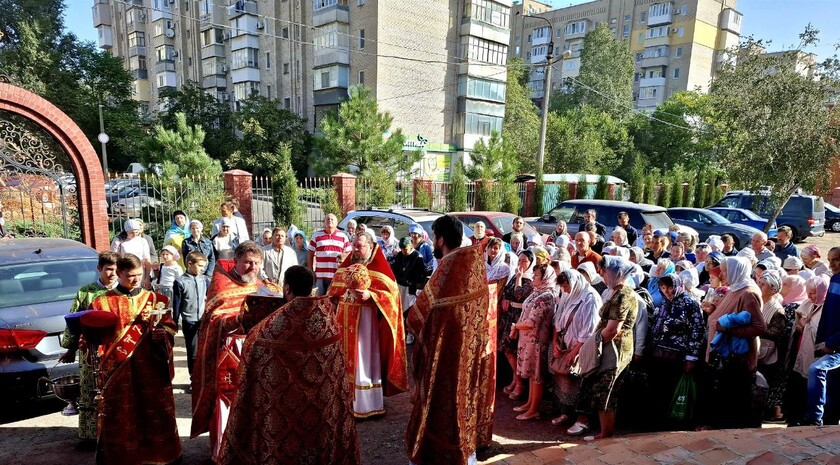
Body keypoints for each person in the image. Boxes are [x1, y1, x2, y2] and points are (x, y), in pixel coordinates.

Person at [217, 266, 360, 464]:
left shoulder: (268, 330)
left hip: (281, 422)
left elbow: (250, 361)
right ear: (311, 289)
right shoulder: (329, 324)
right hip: (320, 416)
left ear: (286, 289)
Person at [406, 215, 489, 465]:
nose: (432, 241)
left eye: (433, 236)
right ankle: (466, 453)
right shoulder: (472, 264)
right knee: (463, 402)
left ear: (440, 239)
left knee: (439, 407)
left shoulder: (448, 268)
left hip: (443, 357)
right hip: (468, 354)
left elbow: (416, 317)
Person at [191, 241, 280, 461]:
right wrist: (238, 319)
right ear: (236, 261)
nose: (252, 268)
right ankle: (223, 451)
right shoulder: (221, 284)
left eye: (256, 263)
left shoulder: (262, 285)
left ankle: (251, 447)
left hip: (256, 350)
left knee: (256, 399)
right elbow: (212, 321)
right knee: (227, 399)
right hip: (229, 351)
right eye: (247, 262)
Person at [90, 254, 181, 465]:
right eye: (130, 276)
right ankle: (123, 457)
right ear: (119, 273)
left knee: (155, 410)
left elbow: (170, 326)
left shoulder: (157, 300)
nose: (135, 280)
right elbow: (92, 337)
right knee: (121, 413)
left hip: (151, 366)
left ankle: (161, 455)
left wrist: (163, 335)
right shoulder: (102, 302)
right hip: (117, 369)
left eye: (139, 275)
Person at [327, 233, 408, 418]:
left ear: (370, 247)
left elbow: (392, 296)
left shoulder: (380, 268)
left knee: (364, 359)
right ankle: (344, 402)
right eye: (354, 245)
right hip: (344, 319)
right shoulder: (347, 264)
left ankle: (366, 404)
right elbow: (334, 287)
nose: (355, 249)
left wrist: (371, 295)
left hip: (365, 324)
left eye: (360, 246)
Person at [568, 256, 638, 440]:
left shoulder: (623, 295)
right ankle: (603, 431)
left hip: (614, 349)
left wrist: (592, 346)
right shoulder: (614, 292)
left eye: (605, 271)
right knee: (601, 390)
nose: (602, 274)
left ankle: (605, 435)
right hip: (606, 346)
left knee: (606, 391)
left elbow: (613, 329)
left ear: (617, 274)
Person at [58, 251, 119, 440]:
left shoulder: (121, 292)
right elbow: (72, 322)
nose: (112, 274)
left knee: (115, 390)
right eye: (108, 269)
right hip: (89, 352)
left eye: (116, 270)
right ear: (99, 268)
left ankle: (116, 432)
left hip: (114, 350)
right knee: (90, 390)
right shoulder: (85, 292)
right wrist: (71, 349)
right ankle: (91, 435)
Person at [702, 256, 765, 429]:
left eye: (724, 270)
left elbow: (759, 327)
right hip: (725, 356)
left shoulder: (748, 293)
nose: (721, 274)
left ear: (736, 271)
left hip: (736, 359)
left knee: (733, 400)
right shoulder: (735, 288)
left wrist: (727, 329)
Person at [647, 272, 705, 428]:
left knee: (672, 388)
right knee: (659, 388)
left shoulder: (689, 303)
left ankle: (672, 423)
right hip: (659, 354)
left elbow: (696, 330)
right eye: (663, 287)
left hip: (677, 356)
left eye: (670, 287)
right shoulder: (664, 303)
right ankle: (657, 421)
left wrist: (691, 357)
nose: (667, 291)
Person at [550, 269, 601, 428]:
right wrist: (556, 341)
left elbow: (589, 330)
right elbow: (559, 320)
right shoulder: (570, 294)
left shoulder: (590, 298)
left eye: (566, 287)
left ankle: (581, 419)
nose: (565, 290)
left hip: (582, 349)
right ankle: (565, 413)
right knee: (564, 381)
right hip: (566, 345)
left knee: (579, 383)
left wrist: (573, 352)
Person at [511, 262, 557, 421]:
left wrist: (515, 326)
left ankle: (534, 409)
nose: (533, 277)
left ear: (545, 278)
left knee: (536, 374)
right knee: (531, 373)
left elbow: (532, 322)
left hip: (536, 341)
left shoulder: (546, 296)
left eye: (537, 275)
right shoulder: (537, 292)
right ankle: (530, 403)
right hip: (528, 339)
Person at [787, 275, 830, 425]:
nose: (810, 296)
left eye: (814, 292)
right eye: (809, 292)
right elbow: (799, 317)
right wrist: (801, 325)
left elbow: (822, 332)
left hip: (816, 355)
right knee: (798, 387)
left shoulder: (828, 308)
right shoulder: (808, 303)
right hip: (801, 351)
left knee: (812, 386)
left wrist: (805, 326)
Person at [805, 246, 840, 426]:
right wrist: (821, 342)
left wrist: (832, 342)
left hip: (836, 346)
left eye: (836, 260)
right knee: (832, 390)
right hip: (829, 344)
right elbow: (827, 315)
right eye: (830, 259)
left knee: (817, 371)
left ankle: (814, 419)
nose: (832, 264)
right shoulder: (835, 280)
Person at [500, 250, 535, 400]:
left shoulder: (531, 279)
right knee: (508, 350)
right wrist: (504, 300)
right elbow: (507, 293)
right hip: (509, 316)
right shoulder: (515, 275)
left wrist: (519, 278)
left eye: (524, 261)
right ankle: (515, 379)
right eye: (519, 260)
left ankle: (519, 383)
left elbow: (520, 294)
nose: (521, 263)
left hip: (519, 317)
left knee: (513, 350)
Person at [172, 251, 210, 379]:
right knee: (192, 351)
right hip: (189, 321)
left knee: (204, 351)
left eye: (203, 266)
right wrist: (174, 322)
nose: (202, 269)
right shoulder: (180, 282)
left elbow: (210, 299)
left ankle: (203, 377)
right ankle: (193, 378)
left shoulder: (205, 280)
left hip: (203, 320)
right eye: (200, 266)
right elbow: (176, 304)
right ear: (189, 264)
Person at [390, 236, 428, 345]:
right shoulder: (400, 256)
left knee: (409, 312)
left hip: (411, 288)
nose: (403, 251)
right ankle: (400, 331)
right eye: (402, 249)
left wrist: (412, 284)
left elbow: (421, 275)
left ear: (410, 246)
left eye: (405, 249)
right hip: (400, 286)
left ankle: (410, 333)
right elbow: (395, 269)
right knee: (399, 310)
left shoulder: (417, 257)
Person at [308, 214, 353, 296]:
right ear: (324, 222)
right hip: (320, 276)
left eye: (332, 219)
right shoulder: (316, 235)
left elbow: (349, 254)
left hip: (336, 276)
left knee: (333, 301)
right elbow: (310, 253)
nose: (330, 220)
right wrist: (311, 270)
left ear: (337, 223)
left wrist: (343, 257)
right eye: (327, 219)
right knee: (318, 300)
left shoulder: (343, 236)